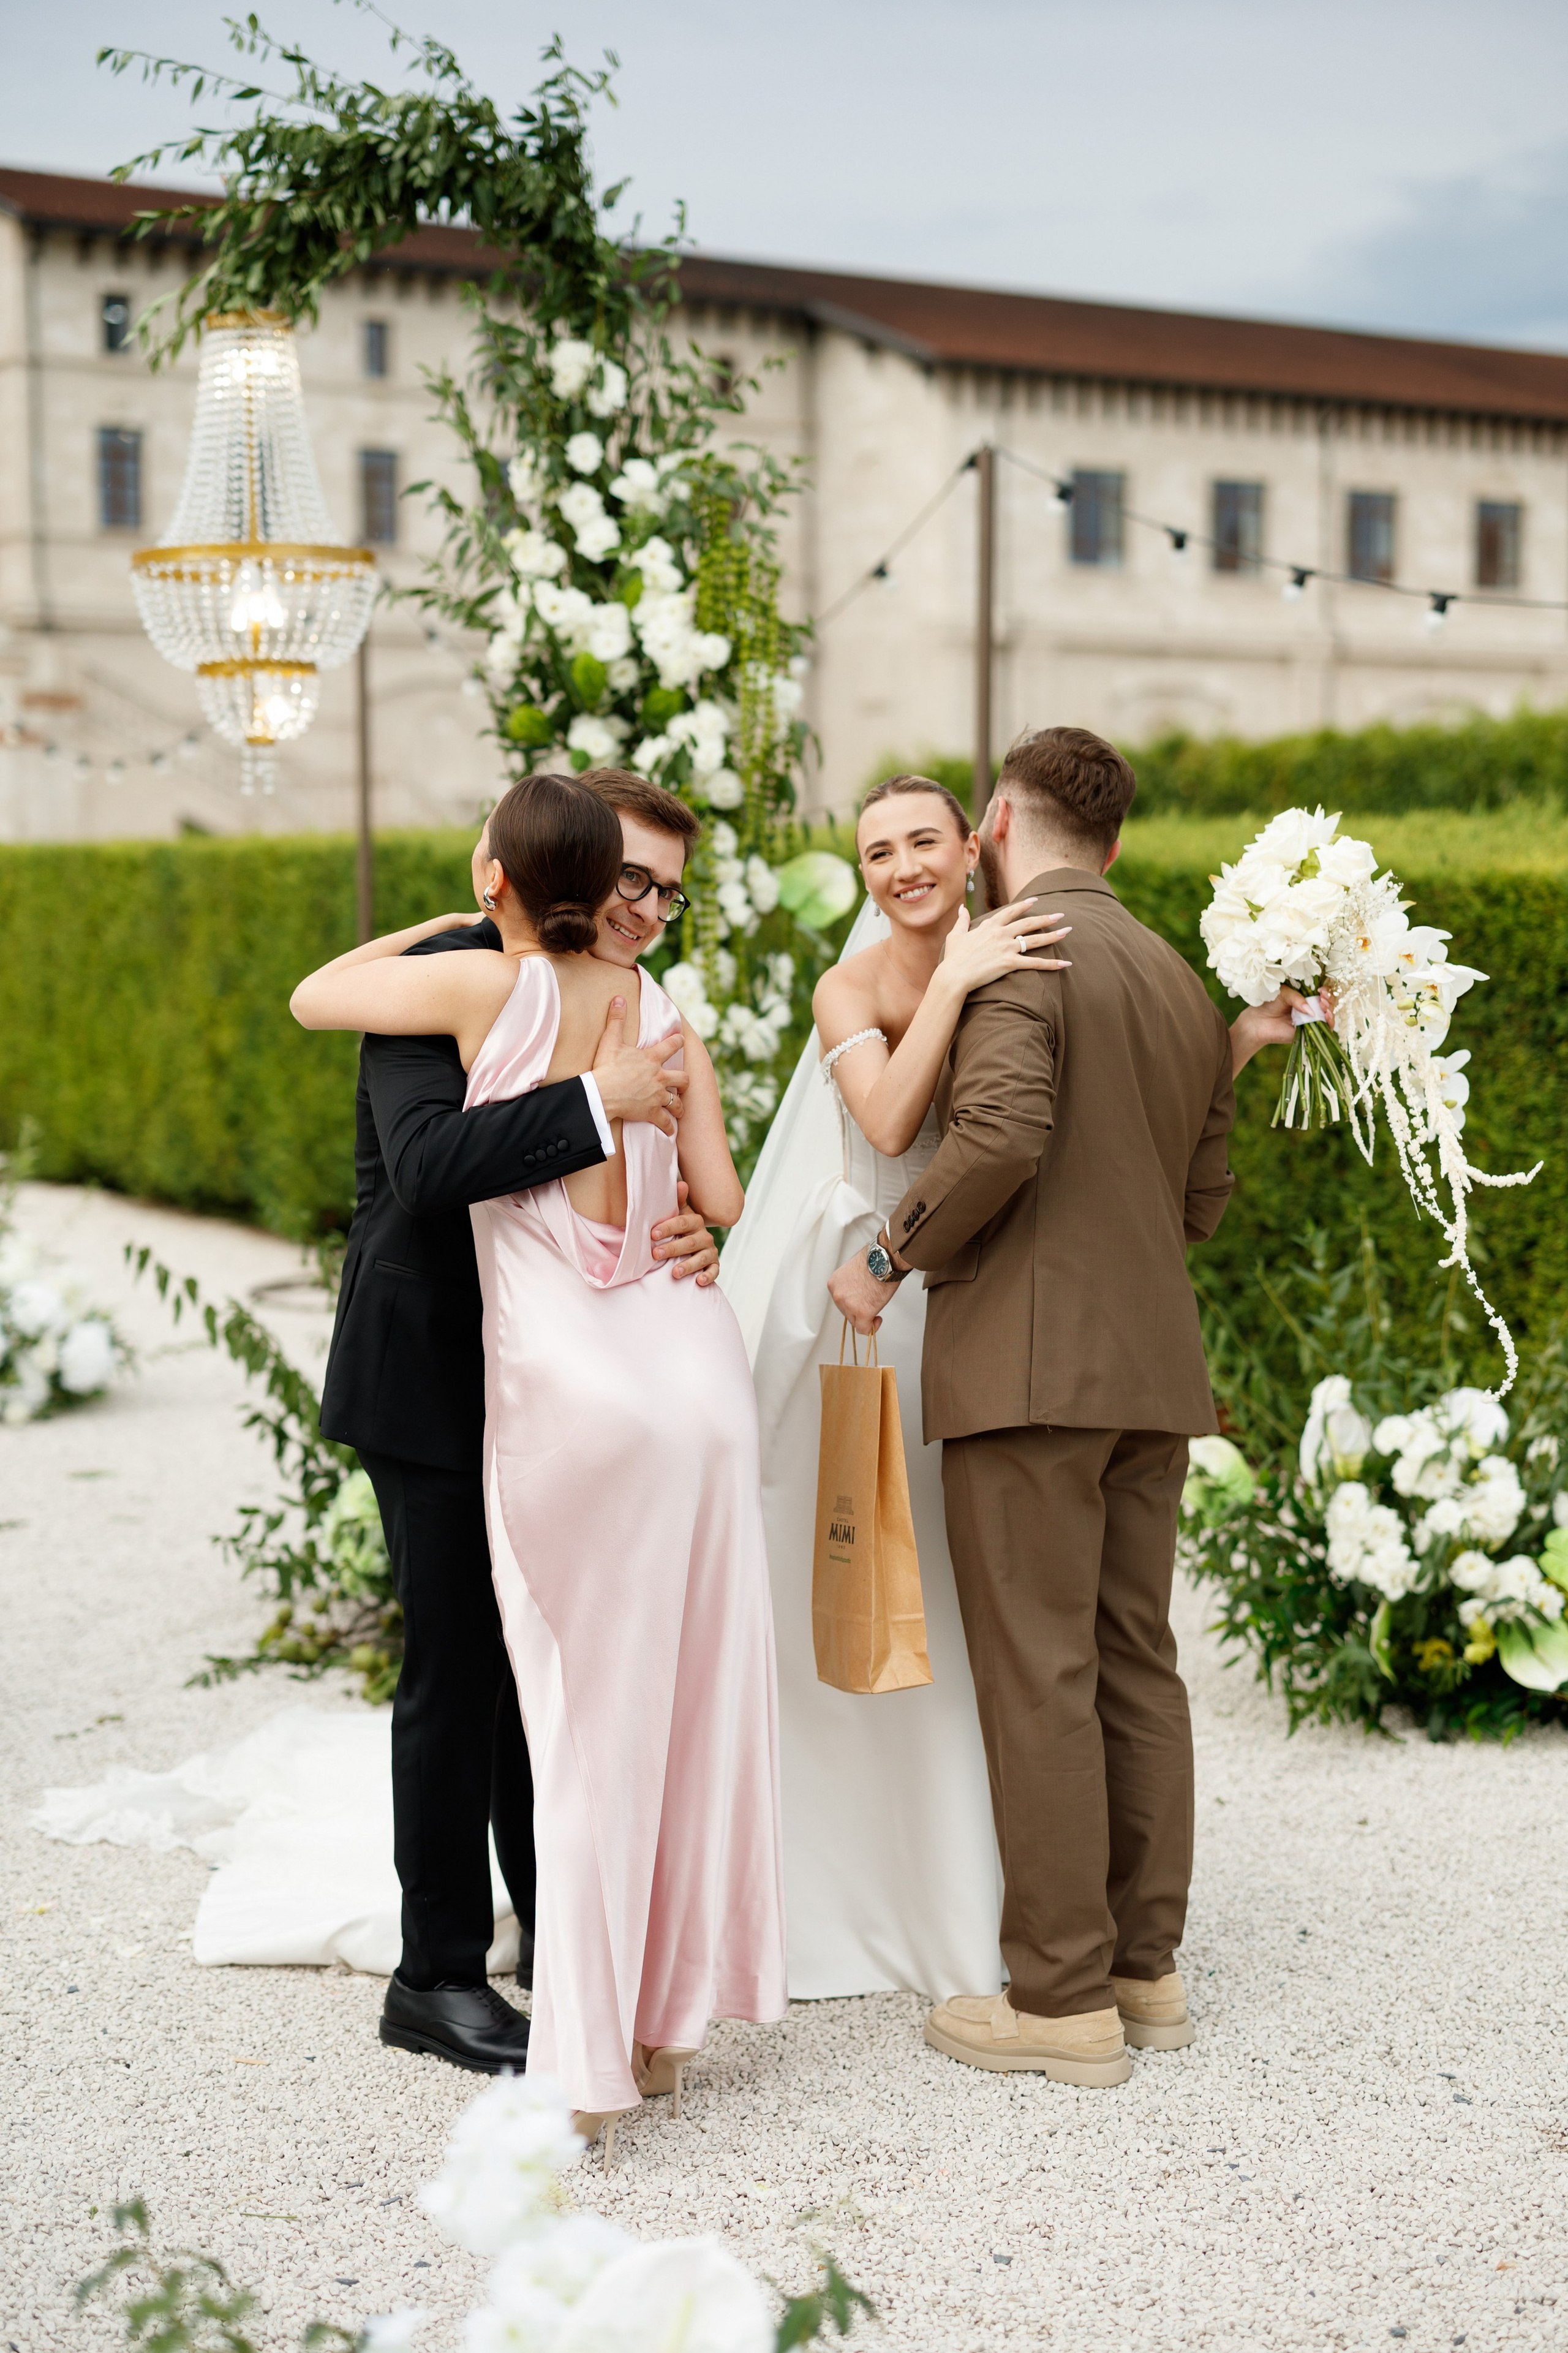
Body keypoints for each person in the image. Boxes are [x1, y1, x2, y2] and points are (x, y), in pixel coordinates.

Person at [294, 770, 786, 2156]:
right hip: (438, 1370)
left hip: (585, 1371)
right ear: (560, 868)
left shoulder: (646, 1006)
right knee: (458, 1673)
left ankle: (564, 1952)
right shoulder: (459, 973)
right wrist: (594, 1097)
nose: (642, 911)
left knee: (557, 1681)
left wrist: (696, 1225)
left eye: (665, 893)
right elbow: (428, 1158)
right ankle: (435, 1974)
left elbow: (691, 1180)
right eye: (628, 880)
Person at [827, 725, 1302, 2090]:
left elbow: (1001, 1136)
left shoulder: (1020, 946)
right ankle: (1145, 1974)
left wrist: (883, 1254)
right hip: (1154, 1373)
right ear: (1115, 839)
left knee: (1039, 1669)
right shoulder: (1167, 972)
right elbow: (1195, 1204)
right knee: (1135, 1664)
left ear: (993, 821)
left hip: (1031, 1371)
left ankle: (1057, 2002)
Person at [718, 776, 1070, 2001]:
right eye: (876, 851)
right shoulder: (849, 988)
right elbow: (884, 1110)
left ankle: (952, 1884)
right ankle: (821, 1884)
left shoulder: (1025, 955)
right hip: (871, 1309)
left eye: (922, 839)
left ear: (969, 847)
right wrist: (961, 978)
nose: (900, 866)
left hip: (974, 1298)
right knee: (855, 1556)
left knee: (956, 1591)